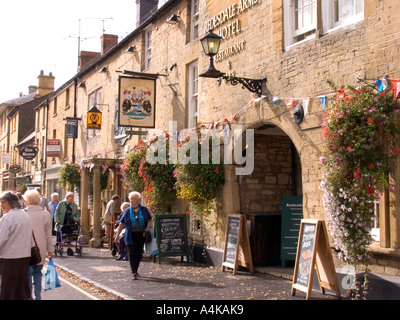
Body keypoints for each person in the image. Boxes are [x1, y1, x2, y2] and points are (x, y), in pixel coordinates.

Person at [0, 191, 32, 300]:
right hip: (24, 256)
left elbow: (0, 239)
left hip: (9, 258)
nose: (1, 205)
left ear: (10, 202)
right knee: (20, 290)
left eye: (3, 202)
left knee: (7, 291)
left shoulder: (7, 218)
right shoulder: (25, 215)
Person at [115, 192, 152, 280]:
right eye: (131, 198)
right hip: (130, 235)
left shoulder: (144, 210)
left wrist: (147, 227)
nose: (132, 200)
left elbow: (150, 220)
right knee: (131, 253)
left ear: (138, 200)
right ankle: (134, 272)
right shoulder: (127, 211)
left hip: (141, 234)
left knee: (139, 253)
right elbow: (121, 223)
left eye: (134, 198)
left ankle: (136, 268)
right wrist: (117, 236)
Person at [23, 190, 53, 300]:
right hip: (40, 249)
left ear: (27, 201)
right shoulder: (46, 215)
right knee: (37, 274)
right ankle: (38, 297)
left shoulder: (23, 214)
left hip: (26, 249)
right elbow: (48, 235)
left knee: (28, 275)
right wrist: (50, 250)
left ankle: (29, 297)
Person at [54, 192, 79, 256]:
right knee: (60, 235)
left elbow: (77, 213)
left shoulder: (74, 205)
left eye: (72, 197)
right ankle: (59, 247)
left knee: (69, 235)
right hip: (62, 221)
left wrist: (76, 218)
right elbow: (57, 212)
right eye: (70, 197)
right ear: (67, 197)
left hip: (70, 222)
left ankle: (69, 247)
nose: (71, 198)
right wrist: (56, 219)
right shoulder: (61, 203)